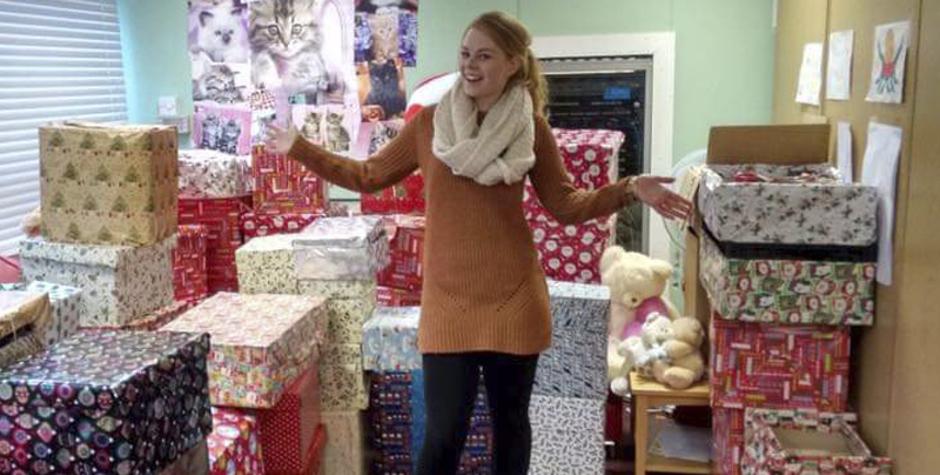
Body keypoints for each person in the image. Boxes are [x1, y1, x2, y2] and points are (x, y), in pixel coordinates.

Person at [266, 10, 692, 475]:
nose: (470, 65)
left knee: (511, 429)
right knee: (444, 434)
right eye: (465, 54)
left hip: (515, 300)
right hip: (449, 305)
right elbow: (367, 176)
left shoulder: (530, 127)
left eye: (484, 56)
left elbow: (567, 205)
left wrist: (630, 188)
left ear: (512, 63)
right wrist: (298, 147)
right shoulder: (429, 125)